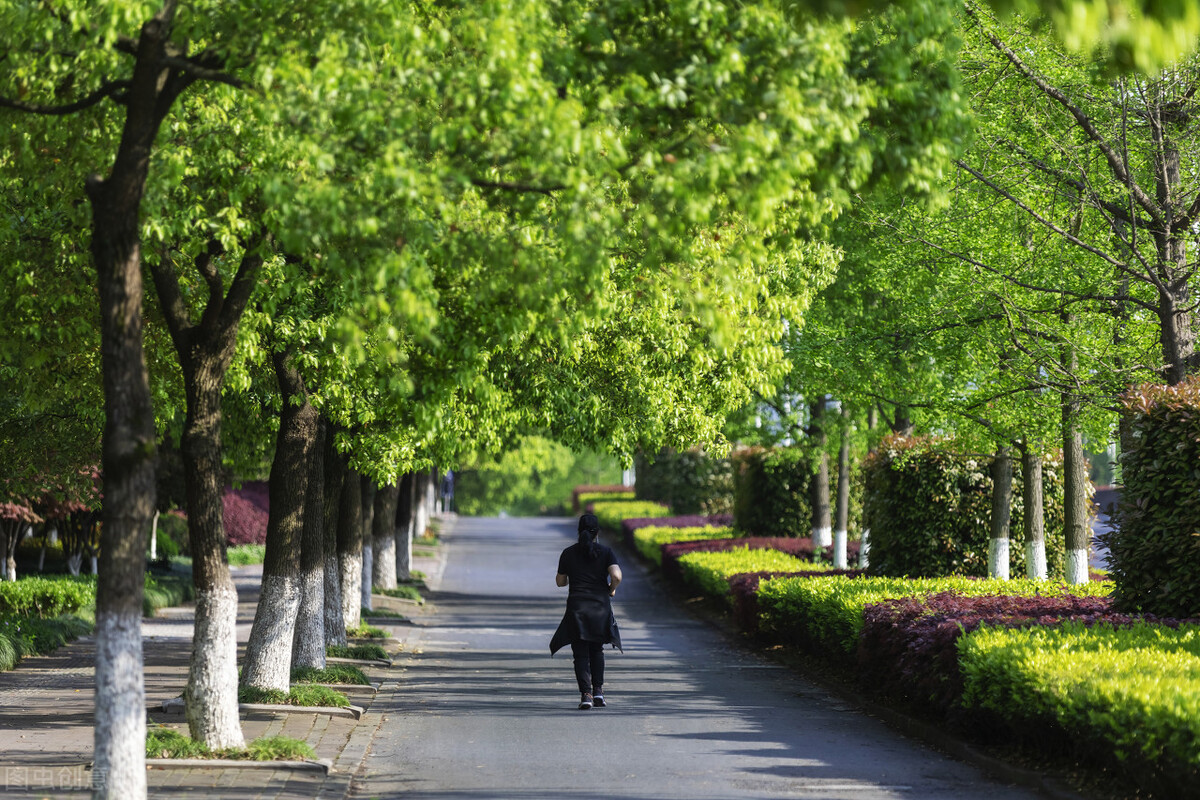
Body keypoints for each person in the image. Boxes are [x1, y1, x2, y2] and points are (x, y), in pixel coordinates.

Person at [550, 513, 622, 710]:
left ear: (578, 531)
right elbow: (616, 575)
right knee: (597, 650)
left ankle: (586, 695)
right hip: (600, 608)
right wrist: (612, 588)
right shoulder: (606, 552)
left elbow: (560, 582)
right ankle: (598, 691)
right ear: (597, 532)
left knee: (580, 654)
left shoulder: (568, 553)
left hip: (577, 609)